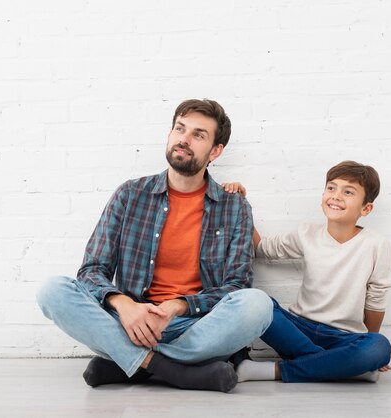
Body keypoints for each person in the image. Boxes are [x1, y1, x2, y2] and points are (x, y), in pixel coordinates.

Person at [37, 99, 273, 393]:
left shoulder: (234, 206)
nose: (184, 140)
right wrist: (125, 306)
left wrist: (177, 307)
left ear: (215, 151)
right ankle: (175, 371)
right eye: (179, 129)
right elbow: (92, 270)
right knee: (53, 291)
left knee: (259, 305)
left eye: (198, 135)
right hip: (131, 322)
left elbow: (236, 285)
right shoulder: (130, 194)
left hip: (194, 325)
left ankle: (131, 364)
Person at [223, 161, 391, 383]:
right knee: (256, 301)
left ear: (366, 208)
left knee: (379, 347)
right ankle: (345, 368)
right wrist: (241, 203)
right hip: (299, 330)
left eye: (348, 192)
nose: (336, 196)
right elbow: (261, 249)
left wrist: (370, 342)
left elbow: (376, 300)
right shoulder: (307, 233)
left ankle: (274, 371)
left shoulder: (376, 245)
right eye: (331, 188)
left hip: (345, 338)